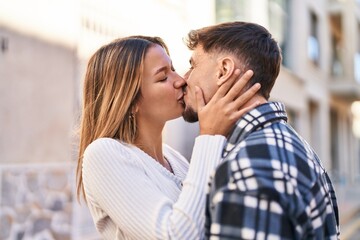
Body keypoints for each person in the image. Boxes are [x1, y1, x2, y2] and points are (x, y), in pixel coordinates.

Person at [76, 35, 261, 239]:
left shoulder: (176, 161)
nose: (181, 80)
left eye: (173, 69)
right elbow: (175, 235)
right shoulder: (103, 154)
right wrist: (209, 135)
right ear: (131, 101)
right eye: (163, 77)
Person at [182, 21, 340, 239]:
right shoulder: (292, 144)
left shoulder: (248, 166)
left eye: (193, 65)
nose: (184, 78)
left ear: (223, 71)